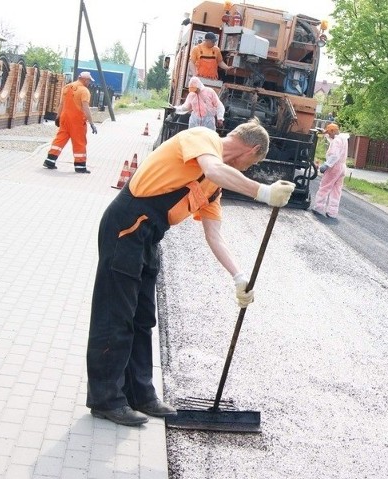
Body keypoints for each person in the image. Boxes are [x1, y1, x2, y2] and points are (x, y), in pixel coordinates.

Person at [86, 118, 295, 426]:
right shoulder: (203, 137)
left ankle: (140, 394)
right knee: (117, 315)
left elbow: (214, 235)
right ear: (251, 149)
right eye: (253, 162)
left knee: (142, 318)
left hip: (148, 236)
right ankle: (105, 399)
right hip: (126, 226)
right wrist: (263, 192)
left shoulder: (214, 188)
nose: (248, 170)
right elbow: (213, 168)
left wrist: (240, 278)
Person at [43, 71, 98, 173]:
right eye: (89, 80)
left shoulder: (67, 87)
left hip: (64, 118)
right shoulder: (84, 91)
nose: (89, 82)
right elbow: (86, 108)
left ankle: (49, 160)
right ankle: (80, 166)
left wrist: (58, 117)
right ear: (85, 80)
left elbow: (61, 104)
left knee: (59, 140)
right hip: (77, 121)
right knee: (79, 142)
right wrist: (92, 123)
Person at [312, 123, 348, 219]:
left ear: (332, 131)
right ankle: (332, 212)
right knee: (336, 190)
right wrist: (324, 133)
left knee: (325, 187)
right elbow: (332, 139)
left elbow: (334, 155)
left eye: (329, 132)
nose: (329, 135)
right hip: (342, 167)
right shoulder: (343, 138)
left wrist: (326, 165)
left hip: (334, 167)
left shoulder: (337, 141)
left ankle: (318, 208)